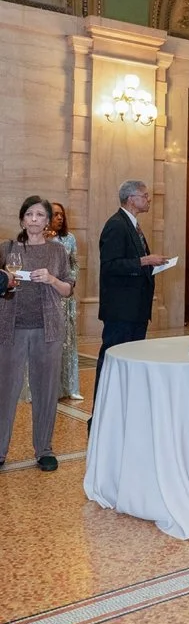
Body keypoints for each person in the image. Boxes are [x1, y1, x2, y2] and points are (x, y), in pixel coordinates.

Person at [0, 197, 75, 470]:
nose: (34, 219)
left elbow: (68, 288)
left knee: (46, 389)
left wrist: (52, 280)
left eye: (40, 215)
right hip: (11, 327)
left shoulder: (57, 252)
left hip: (48, 329)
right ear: (22, 219)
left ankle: (44, 449)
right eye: (29, 214)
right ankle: (0, 450)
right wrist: (8, 281)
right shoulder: (8, 248)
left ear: (48, 221)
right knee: (5, 390)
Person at [95, 180, 170, 421]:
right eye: (145, 196)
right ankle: (101, 414)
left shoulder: (133, 225)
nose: (149, 200)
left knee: (132, 358)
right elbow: (110, 266)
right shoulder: (116, 226)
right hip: (121, 310)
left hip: (136, 308)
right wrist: (145, 261)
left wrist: (151, 265)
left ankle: (125, 409)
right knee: (112, 358)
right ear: (131, 199)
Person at [48, 202, 81, 400]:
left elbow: (75, 263)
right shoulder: (40, 239)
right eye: (55, 214)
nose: (59, 218)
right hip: (47, 296)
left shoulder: (70, 239)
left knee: (67, 341)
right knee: (50, 342)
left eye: (62, 214)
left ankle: (70, 387)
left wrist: (71, 280)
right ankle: (48, 388)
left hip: (66, 295)